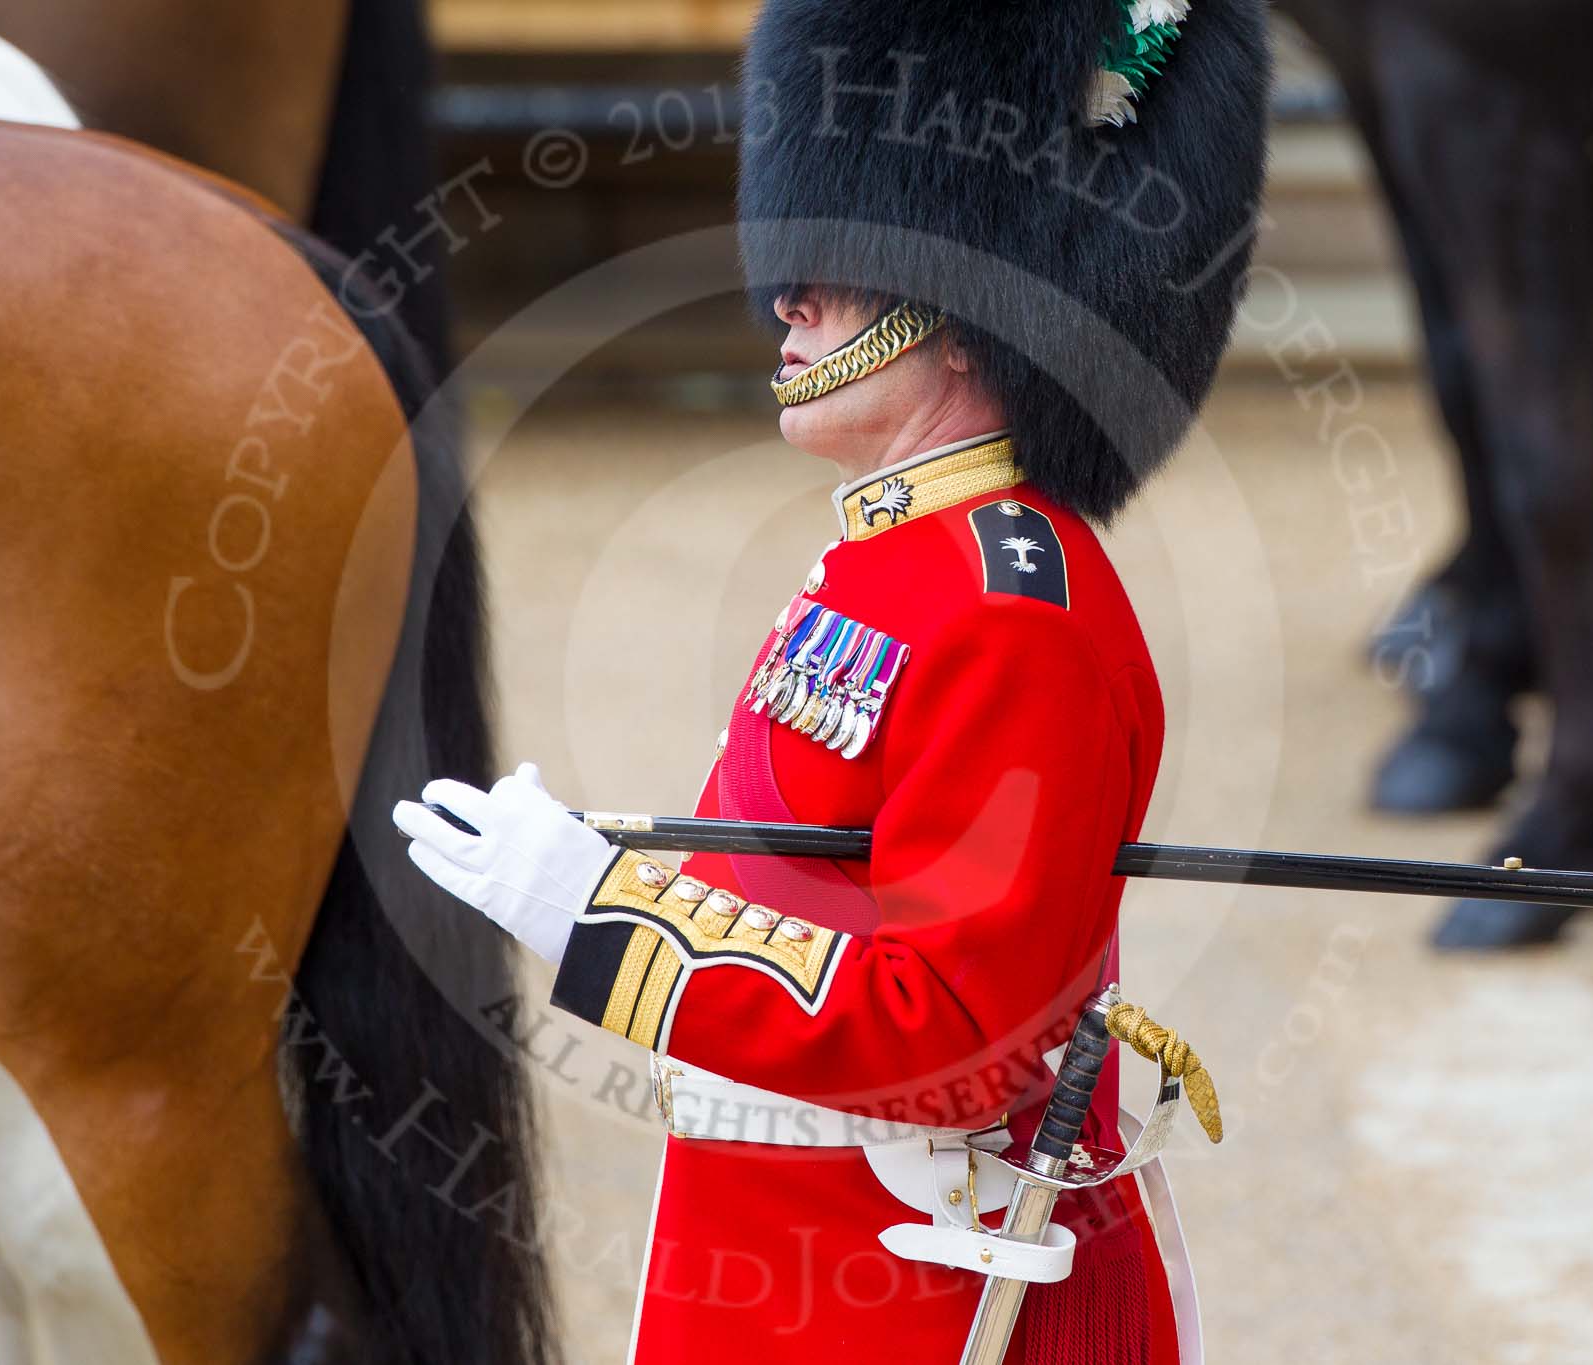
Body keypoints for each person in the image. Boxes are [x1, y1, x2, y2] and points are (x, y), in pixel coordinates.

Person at [393, 0, 1270, 1359]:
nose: (788, 299)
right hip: (799, 1241)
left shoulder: (1013, 611)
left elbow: (963, 1031)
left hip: (913, 1286)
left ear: (970, 313)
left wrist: (600, 918)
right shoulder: (896, 555)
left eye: (837, 267)